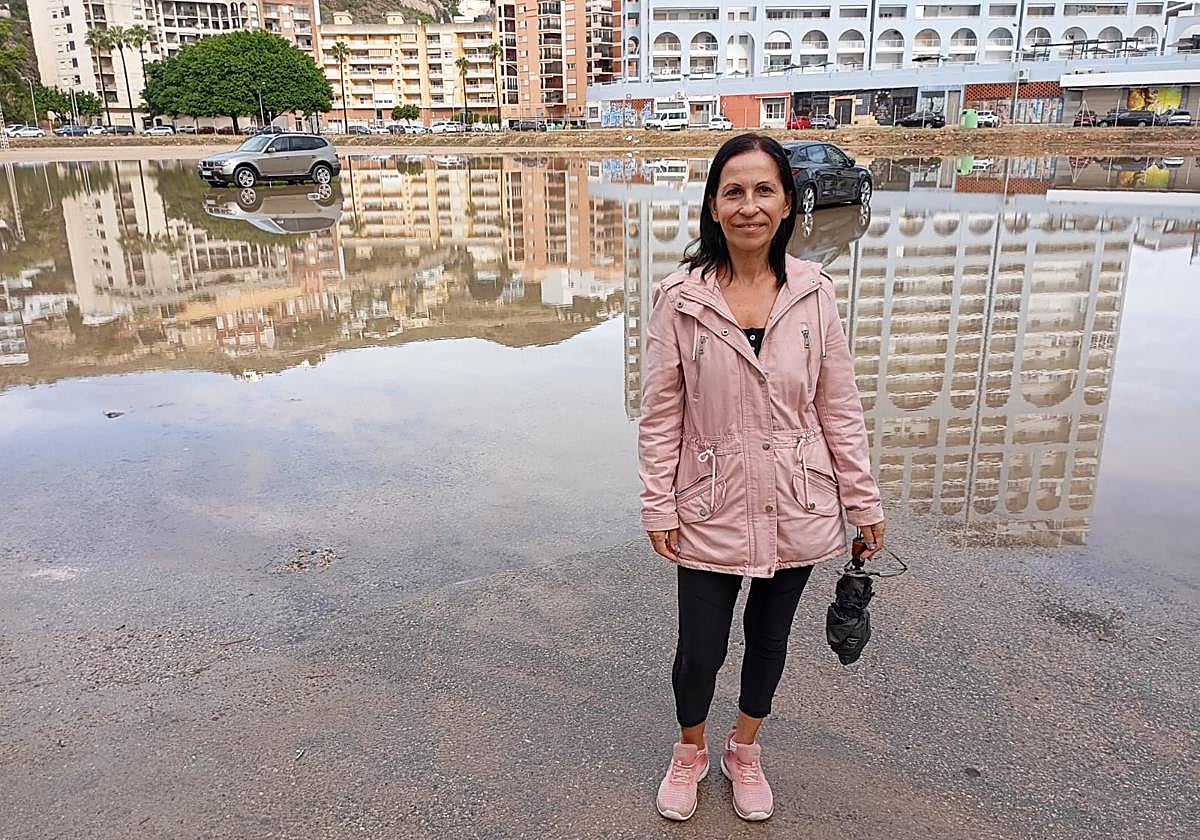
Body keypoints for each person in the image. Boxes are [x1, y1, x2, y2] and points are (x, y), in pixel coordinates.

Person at [637, 133, 885, 822]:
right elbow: (660, 413)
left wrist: (863, 501)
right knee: (700, 649)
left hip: (795, 498)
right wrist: (658, 503)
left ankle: (744, 750)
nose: (749, 206)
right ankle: (690, 750)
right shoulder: (680, 298)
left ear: (787, 203)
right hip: (708, 499)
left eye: (764, 190)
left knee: (769, 640)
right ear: (714, 206)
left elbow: (838, 405)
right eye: (734, 192)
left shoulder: (814, 292)